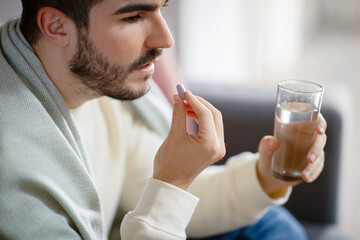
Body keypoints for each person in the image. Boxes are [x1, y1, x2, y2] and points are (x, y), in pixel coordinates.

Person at [0, 0, 327, 239]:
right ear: (56, 27)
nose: (165, 39)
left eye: (161, 9)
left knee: (272, 225)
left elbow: (155, 195)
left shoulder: (98, 87)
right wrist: (173, 182)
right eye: (133, 16)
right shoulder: (12, 165)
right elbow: (164, 197)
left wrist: (266, 175)